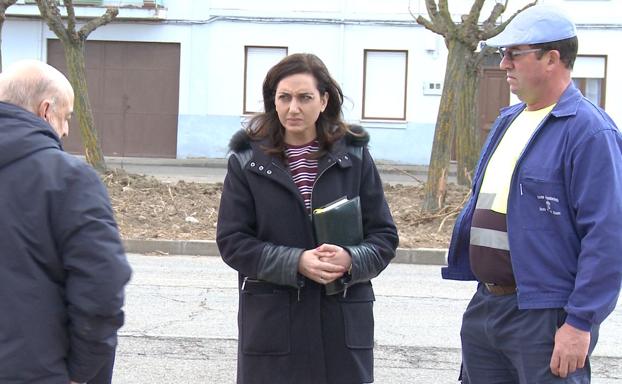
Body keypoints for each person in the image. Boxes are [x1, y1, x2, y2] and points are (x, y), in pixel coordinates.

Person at [443, 5, 622, 383]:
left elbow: (608, 236)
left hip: (544, 314)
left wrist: (580, 322)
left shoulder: (589, 133)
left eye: (515, 53)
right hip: (487, 305)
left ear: (551, 58)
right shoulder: (509, 120)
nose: (504, 62)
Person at [216, 53, 399, 384]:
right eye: (284, 97)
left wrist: (350, 258)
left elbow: (384, 237)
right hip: (274, 325)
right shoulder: (247, 161)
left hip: (341, 321)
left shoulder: (354, 156)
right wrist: (296, 261)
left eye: (304, 97)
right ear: (273, 101)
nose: (293, 108)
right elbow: (233, 242)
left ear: (324, 100)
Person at [0, 59, 131, 383]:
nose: (66, 130)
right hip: (37, 370)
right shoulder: (68, 178)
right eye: (66, 117)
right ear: (46, 110)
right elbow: (101, 284)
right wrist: (82, 371)